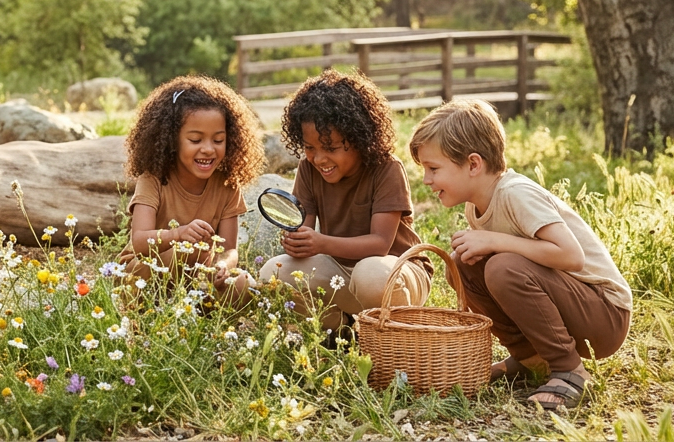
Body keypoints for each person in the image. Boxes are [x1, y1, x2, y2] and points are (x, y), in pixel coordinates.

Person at [410, 99, 631, 412]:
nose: (426, 179)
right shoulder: (477, 205)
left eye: (433, 169)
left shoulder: (515, 193)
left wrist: (495, 241)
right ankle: (530, 359)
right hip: (573, 308)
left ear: (473, 165)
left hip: (605, 315)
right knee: (463, 264)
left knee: (503, 267)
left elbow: (571, 256)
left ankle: (570, 370)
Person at [265, 70, 432, 330]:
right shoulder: (308, 169)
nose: (319, 158)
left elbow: (380, 244)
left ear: (359, 138)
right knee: (274, 272)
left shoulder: (387, 169)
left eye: (330, 148)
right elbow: (304, 228)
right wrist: (298, 242)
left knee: (370, 275)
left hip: (394, 274)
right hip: (341, 272)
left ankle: (394, 335)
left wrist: (320, 243)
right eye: (309, 147)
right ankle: (338, 332)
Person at [116, 76, 266, 304]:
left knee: (243, 283)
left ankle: (199, 315)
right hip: (143, 276)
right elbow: (139, 241)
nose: (208, 149)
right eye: (195, 140)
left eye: (218, 140)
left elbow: (229, 249)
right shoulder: (153, 179)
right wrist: (178, 235)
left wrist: (223, 265)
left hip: (195, 282)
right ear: (172, 140)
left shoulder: (227, 185)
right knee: (188, 250)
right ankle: (155, 311)